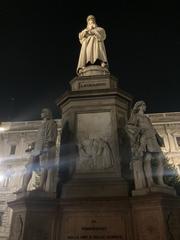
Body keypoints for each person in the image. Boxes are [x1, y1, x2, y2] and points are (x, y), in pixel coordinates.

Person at [126, 101, 166, 190]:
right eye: (144, 105)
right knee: (147, 159)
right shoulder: (135, 116)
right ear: (139, 106)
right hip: (145, 139)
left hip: (153, 138)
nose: (145, 107)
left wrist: (157, 135)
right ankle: (150, 182)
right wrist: (140, 130)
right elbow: (129, 127)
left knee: (161, 159)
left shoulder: (147, 118)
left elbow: (152, 128)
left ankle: (160, 181)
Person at [16, 108, 58, 193]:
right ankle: (24, 187)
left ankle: (41, 186)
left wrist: (46, 147)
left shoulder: (52, 123)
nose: (41, 114)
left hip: (45, 148)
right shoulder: (42, 125)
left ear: (47, 113)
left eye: (43, 112)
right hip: (36, 149)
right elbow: (39, 138)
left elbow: (52, 138)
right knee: (29, 167)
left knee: (44, 167)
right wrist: (32, 146)